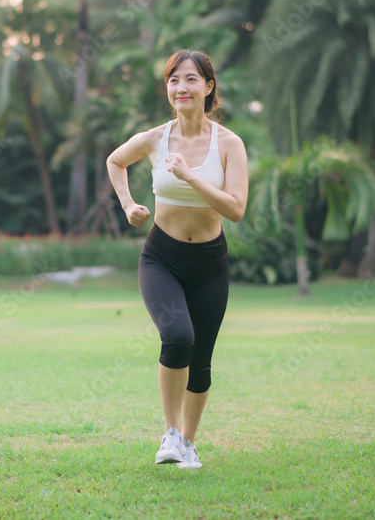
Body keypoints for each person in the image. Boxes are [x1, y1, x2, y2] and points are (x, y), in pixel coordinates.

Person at [106, 48, 248, 469]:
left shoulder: (230, 144)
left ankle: (188, 442)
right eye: (173, 80)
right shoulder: (155, 137)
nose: (181, 87)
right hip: (161, 257)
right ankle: (169, 433)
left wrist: (190, 176)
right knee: (178, 337)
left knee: (201, 362)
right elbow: (116, 160)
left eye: (190, 79)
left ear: (208, 87)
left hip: (209, 263)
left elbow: (236, 208)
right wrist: (129, 203)